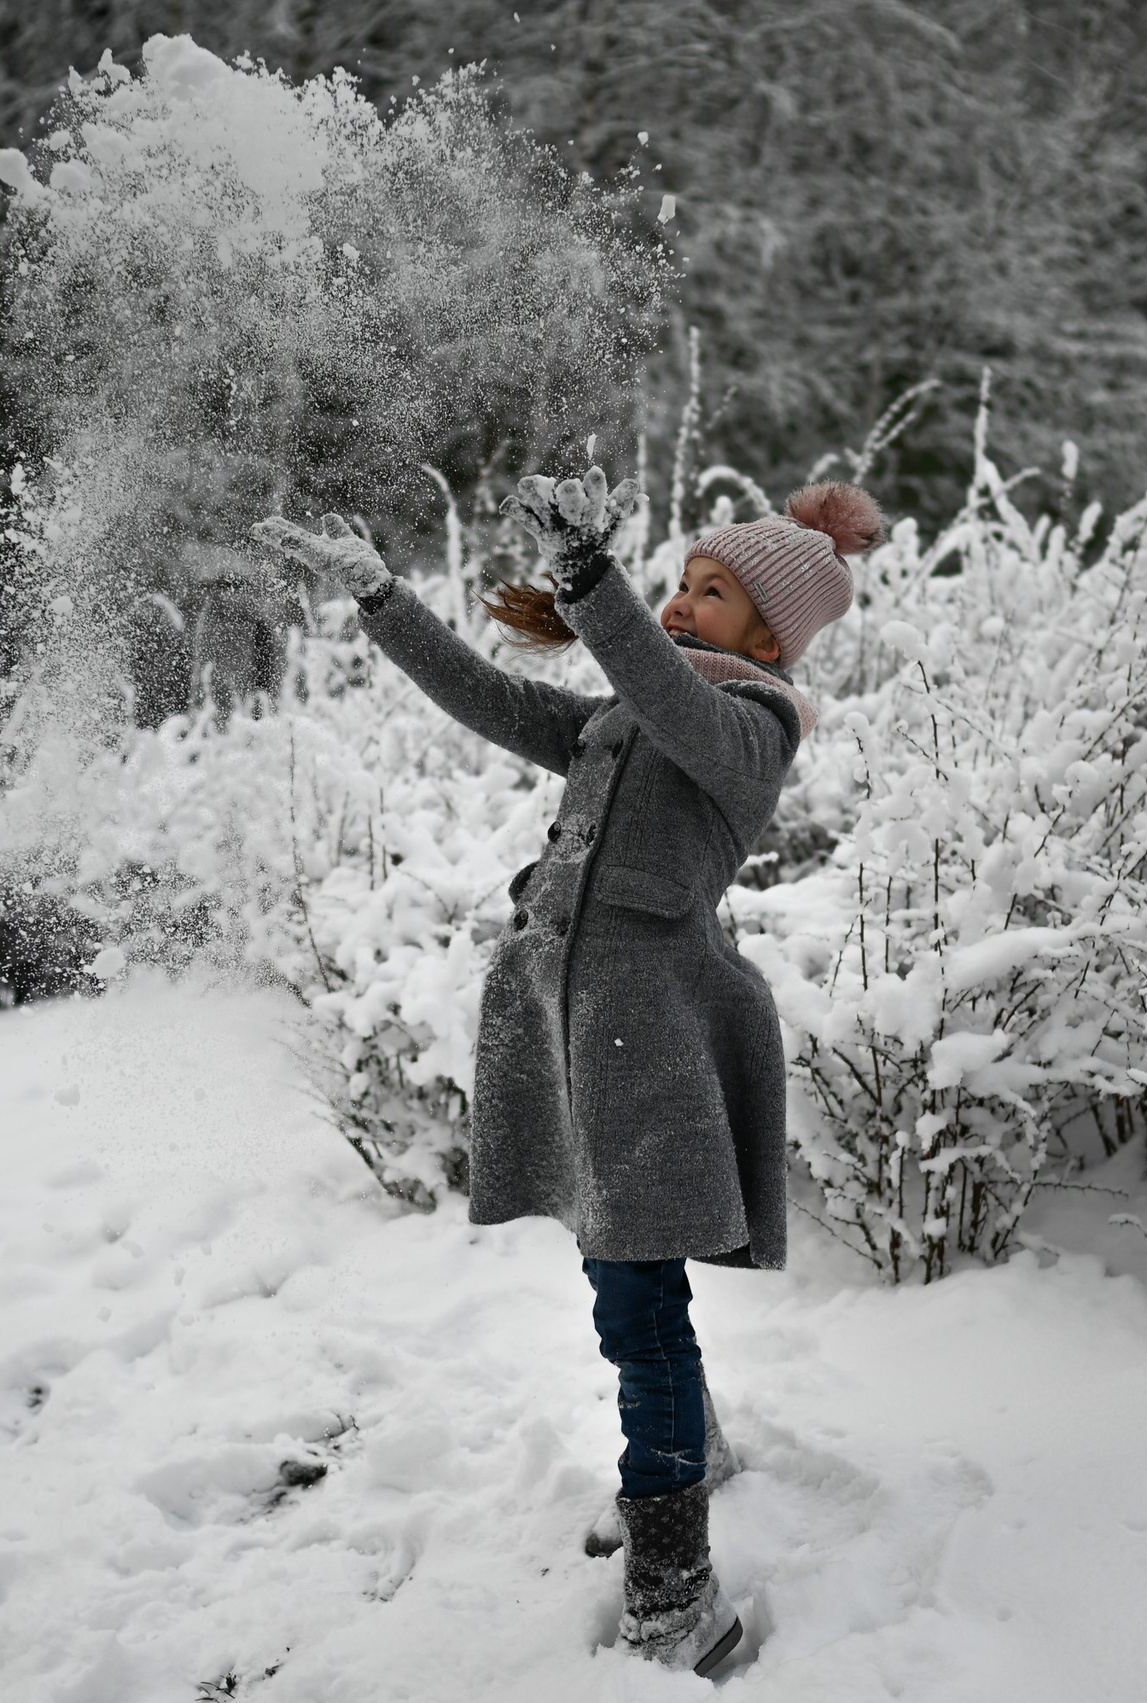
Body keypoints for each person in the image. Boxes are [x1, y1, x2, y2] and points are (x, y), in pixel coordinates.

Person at [252, 468, 879, 1676]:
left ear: (773, 633)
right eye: (682, 585)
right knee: (620, 1277)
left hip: (648, 1040)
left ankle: (676, 1588)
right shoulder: (626, 716)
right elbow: (489, 696)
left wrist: (594, 579)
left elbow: (652, 675)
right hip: (581, 1032)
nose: (685, 606)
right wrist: (383, 599)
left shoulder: (748, 733)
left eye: (712, 593)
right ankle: (698, 1451)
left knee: (634, 1306)